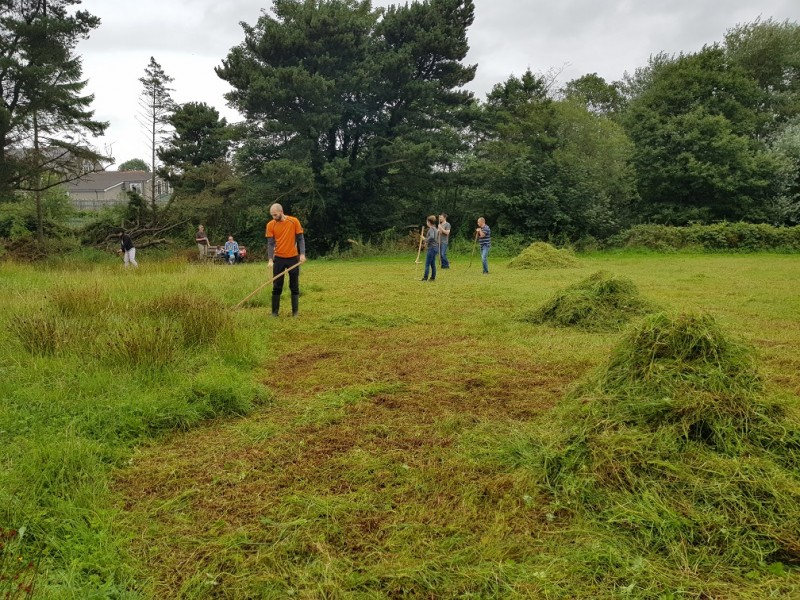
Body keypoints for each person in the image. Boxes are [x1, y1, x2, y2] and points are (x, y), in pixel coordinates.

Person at [266, 203, 306, 317]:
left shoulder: (294, 221)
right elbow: (270, 243)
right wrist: (270, 259)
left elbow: (300, 238)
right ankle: (274, 313)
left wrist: (302, 254)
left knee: (294, 285)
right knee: (277, 285)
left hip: (293, 258)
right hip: (278, 258)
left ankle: (295, 312)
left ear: (281, 212)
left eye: (275, 215)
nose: (273, 217)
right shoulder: (270, 225)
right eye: (272, 215)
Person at [421, 215, 438, 281]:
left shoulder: (431, 229)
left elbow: (432, 237)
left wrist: (425, 239)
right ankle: (433, 277)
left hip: (432, 248)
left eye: (427, 221)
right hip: (435, 248)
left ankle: (425, 278)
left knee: (427, 264)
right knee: (432, 263)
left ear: (429, 222)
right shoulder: (435, 228)